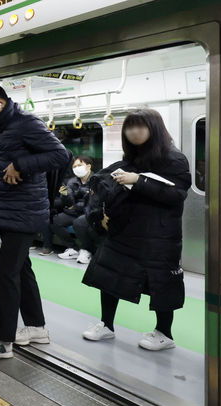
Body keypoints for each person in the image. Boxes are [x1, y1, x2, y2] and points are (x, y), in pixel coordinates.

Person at [0, 83, 70, 361]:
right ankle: (37, 327)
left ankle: (3, 341)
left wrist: (19, 167)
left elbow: (60, 156)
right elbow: (12, 157)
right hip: (12, 209)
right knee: (21, 268)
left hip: (24, 213)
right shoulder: (4, 126)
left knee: (5, 272)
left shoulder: (25, 123)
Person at [81, 109, 190, 350]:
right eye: (129, 127)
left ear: (155, 129)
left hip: (159, 235)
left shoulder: (174, 159)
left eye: (141, 126)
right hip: (124, 231)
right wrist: (100, 218)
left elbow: (177, 194)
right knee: (110, 276)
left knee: (162, 284)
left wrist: (138, 180)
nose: (134, 132)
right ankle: (106, 325)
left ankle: (164, 333)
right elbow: (101, 190)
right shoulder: (128, 160)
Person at [53, 156, 97, 264]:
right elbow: (70, 202)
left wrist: (75, 206)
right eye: (74, 166)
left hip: (89, 212)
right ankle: (73, 248)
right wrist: (65, 195)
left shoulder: (97, 180)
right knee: (54, 221)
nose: (77, 168)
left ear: (88, 166)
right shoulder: (72, 181)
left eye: (79, 165)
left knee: (79, 223)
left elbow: (93, 202)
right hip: (75, 212)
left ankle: (87, 250)